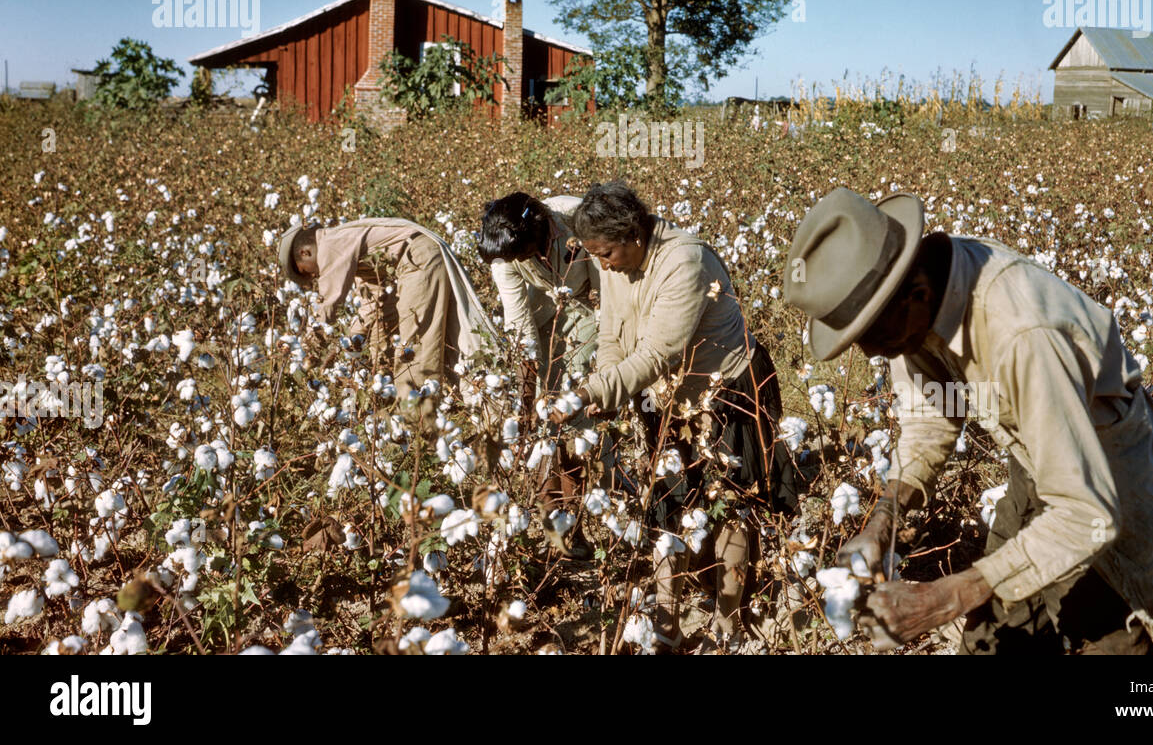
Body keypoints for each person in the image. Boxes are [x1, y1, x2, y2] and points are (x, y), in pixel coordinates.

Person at [783, 187, 1153, 654]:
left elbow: (1087, 514)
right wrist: (883, 520)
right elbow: (932, 421)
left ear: (917, 294)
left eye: (871, 335)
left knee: (1130, 631)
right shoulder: (914, 301)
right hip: (1036, 457)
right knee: (994, 633)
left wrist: (946, 596)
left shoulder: (1022, 335)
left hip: (1112, 470)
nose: (868, 351)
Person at [550, 181, 798, 652]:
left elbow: (660, 352)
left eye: (606, 254)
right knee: (667, 504)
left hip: (726, 390)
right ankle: (666, 624)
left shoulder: (685, 260)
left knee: (730, 505)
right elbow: (611, 332)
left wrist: (589, 392)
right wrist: (606, 382)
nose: (601, 265)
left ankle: (729, 622)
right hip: (665, 397)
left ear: (633, 236)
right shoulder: (614, 260)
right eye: (595, 255)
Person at [478, 192, 604, 558]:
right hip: (543, 320)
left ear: (544, 234)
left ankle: (575, 524)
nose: (517, 262)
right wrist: (527, 401)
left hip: (587, 309)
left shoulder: (576, 218)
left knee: (576, 419)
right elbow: (521, 327)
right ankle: (555, 524)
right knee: (546, 425)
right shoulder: (505, 257)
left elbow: (604, 290)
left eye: (523, 256)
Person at [279, 216, 496, 425]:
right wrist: (345, 343)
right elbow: (373, 304)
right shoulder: (347, 245)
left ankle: (417, 425)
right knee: (446, 340)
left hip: (418, 261)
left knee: (414, 351)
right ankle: (479, 405)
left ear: (305, 252)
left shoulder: (330, 246)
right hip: (424, 255)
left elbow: (327, 305)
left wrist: (307, 350)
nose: (314, 277)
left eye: (308, 272)